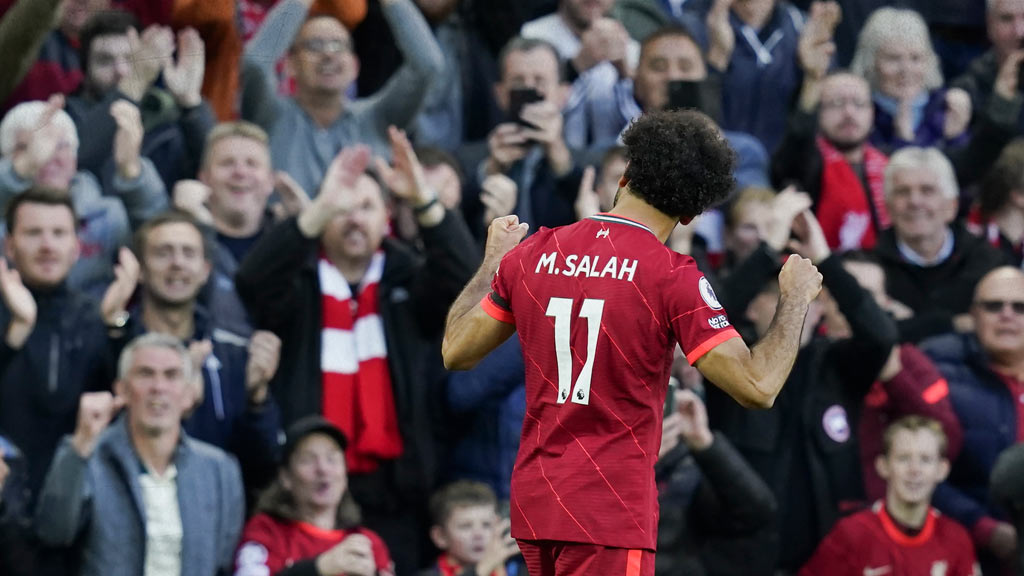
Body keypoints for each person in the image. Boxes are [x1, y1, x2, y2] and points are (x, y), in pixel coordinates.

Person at [441, 109, 823, 575]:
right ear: (691, 214)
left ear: (624, 177)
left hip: (535, 503)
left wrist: (492, 262)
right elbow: (757, 386)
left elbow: (456, 351)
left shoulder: (536, 251)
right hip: (608, 511)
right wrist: (795, 300)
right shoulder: (671, 276)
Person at [236, 128, 479, 573]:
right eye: (341, 209)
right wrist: (318, 208)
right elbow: (253, 280)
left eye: (365, 207)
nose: (353, 219)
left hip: (396, 495)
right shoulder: (299, 285)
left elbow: (464, 277)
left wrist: (423, 200)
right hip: (308, 494)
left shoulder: (408, 280)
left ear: (386, 217)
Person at [34, 332, 245, 576]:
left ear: (189, 394)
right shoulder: (86, 455)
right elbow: (53, 532)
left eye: (171, 375)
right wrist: (81, 444)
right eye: (146, 374)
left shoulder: (220, 470)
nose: (158, 387)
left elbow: (222, 561)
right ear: (121, 389)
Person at [243, 0, 444, 194]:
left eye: (338, 45)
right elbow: (256, 65)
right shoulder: (270, 116)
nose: (328, 55)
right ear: (290, 65)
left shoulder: (375, 119)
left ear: (355, 66)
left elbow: (427, 66)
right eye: (314, 45)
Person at [921, 266, 1024, 576]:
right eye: (994, 306)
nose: (1007, 315)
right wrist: (984, 528)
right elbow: (921, 468)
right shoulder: (940, 374)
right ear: (973, 315)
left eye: (1019, 307)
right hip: (969, 550)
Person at [799, 416, 979, 576]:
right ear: (883, 466)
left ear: (942, 469)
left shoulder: (955, 539)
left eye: (925, 459)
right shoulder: (853, 534)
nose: (914, 470)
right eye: (903, 458)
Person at [871, 147, 1006, 344]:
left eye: (927, 191)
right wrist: (954, 323)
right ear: (888, 207)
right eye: (902, 192)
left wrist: (909, 325)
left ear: (952, 206)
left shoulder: (989, 263)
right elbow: (866, 336)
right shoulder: (870, 267)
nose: (914, 201)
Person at [67, 11, 215, 187]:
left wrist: (190, 104)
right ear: (85, 70)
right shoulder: (67, 116)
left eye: (131, 59)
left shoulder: (170, 117)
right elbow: (76, 163)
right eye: (105, 61)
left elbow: (215, 174)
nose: (121, 71)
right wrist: (134, 83)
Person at [234, 416, 395, 576]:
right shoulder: (266, 531)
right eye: (308, 460)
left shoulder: (368, 543)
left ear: (345, 474)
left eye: (332, 459)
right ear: (285, 477)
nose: (323, 469)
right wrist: (319, 567)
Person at [419, 481, 521, 576]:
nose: (478, 534)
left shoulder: (518, 570)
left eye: (486, 525)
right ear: (440, 537)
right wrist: (484, 566)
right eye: (465, 526)